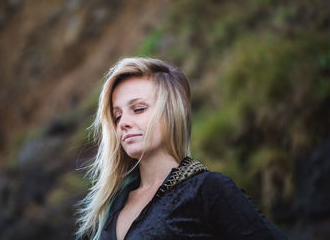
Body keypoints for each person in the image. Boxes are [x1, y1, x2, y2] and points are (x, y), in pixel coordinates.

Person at [76, 57, 287, 240]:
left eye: (138, 109)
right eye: (117, 116)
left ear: (174, 110)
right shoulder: (112, 205)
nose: (123, 123)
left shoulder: (207, 189)